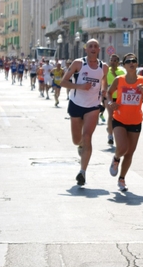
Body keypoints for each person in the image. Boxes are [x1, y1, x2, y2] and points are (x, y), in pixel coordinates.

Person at [60, 38, 109, 186]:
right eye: (90, 46)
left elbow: (104, 82)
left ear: (99, 50)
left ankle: (82, 172)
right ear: (86, 49)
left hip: (93, 106)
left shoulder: (103, 67)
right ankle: (80, 145)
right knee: (77, 140)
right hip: (76, 104)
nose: (93, 48)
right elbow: (63, 82)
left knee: (87, 136)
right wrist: (80, 86)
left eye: (95, 46)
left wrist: (105, 94)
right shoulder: (78, 64)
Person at [107, 53, 143, 191]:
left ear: (137, 64)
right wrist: (111, 102)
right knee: (122, 148)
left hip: (135, 121)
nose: (131, 63)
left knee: (129, 153)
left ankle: (122, 179)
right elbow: (109, 93)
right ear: (124, 65)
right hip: (119, 118)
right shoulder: (119, 79)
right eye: (128, 61)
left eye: (134, 61)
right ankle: (116, 158)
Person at [105, 54, 126, 145]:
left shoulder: (122, 72)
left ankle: (118, 133)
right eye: (111, 60)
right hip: (109, 96)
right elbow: (103, 83)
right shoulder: (106, 71)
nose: (113, 62)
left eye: (115, 61)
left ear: (118, 62)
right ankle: (110, 135)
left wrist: (114, 74)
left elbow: (124, 83)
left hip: (119, 97)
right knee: (110, 115)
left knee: (118, 116)